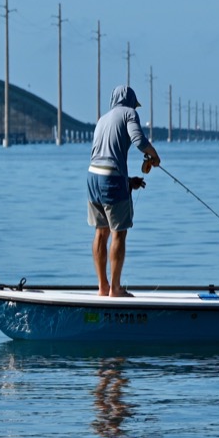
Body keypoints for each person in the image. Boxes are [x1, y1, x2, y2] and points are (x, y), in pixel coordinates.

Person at [88, 85, 161, 297]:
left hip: (92, 178)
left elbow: (102, 157)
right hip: (111, 179)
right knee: (118, 233)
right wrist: (154, 156)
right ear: (130, 102)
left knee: (100, 232)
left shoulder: (103, 119)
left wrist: (127, 182)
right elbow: (138, 140)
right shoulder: (130, 114)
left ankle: (103, 287)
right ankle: (116, 289)